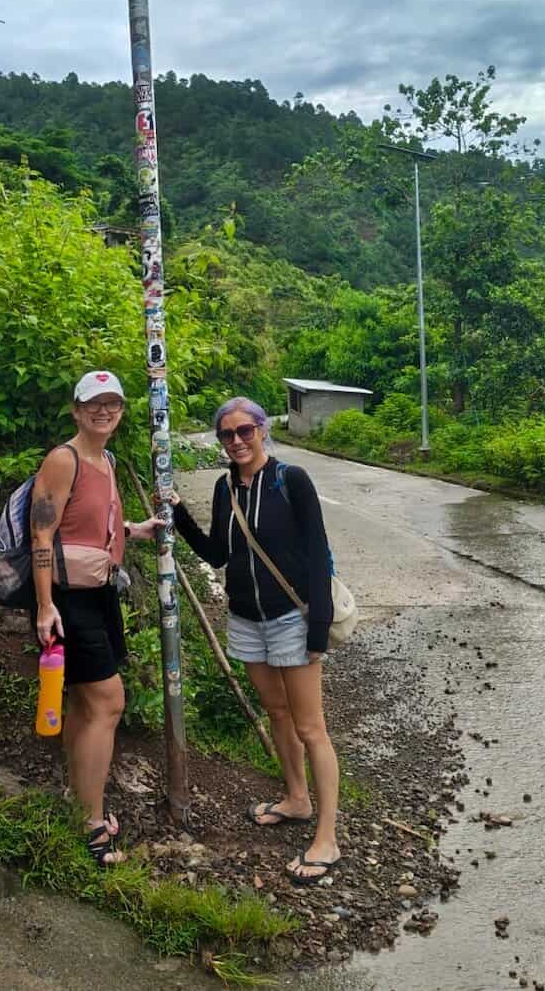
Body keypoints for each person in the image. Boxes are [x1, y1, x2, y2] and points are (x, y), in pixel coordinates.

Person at [171, 396, 342, 885]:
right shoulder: (225, 488)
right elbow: (216, 554)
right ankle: (297, 799)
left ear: (263, 430)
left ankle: (327, 838)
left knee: (311, 728)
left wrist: (319, 625)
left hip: (292, 618)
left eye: (245, 431)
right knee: (278, 714)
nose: (237, 441)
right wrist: (179, 515)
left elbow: (317, 553)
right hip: (246, 621)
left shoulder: (292, 480)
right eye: (227, 434)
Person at [29, 370, 162, 866]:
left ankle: (77, 797)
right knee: (108, 701)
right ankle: (92, 825)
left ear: (121, 411)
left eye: (113, 404)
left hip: (100, 592)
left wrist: (134, 530)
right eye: (93, 403)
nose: (103, 411)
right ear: (76, 410)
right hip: (68, 599)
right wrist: (45, 606)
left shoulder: (105, 460)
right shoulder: (63, 459)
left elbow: (87, 525)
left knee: (86, 706)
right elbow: (42, 535)